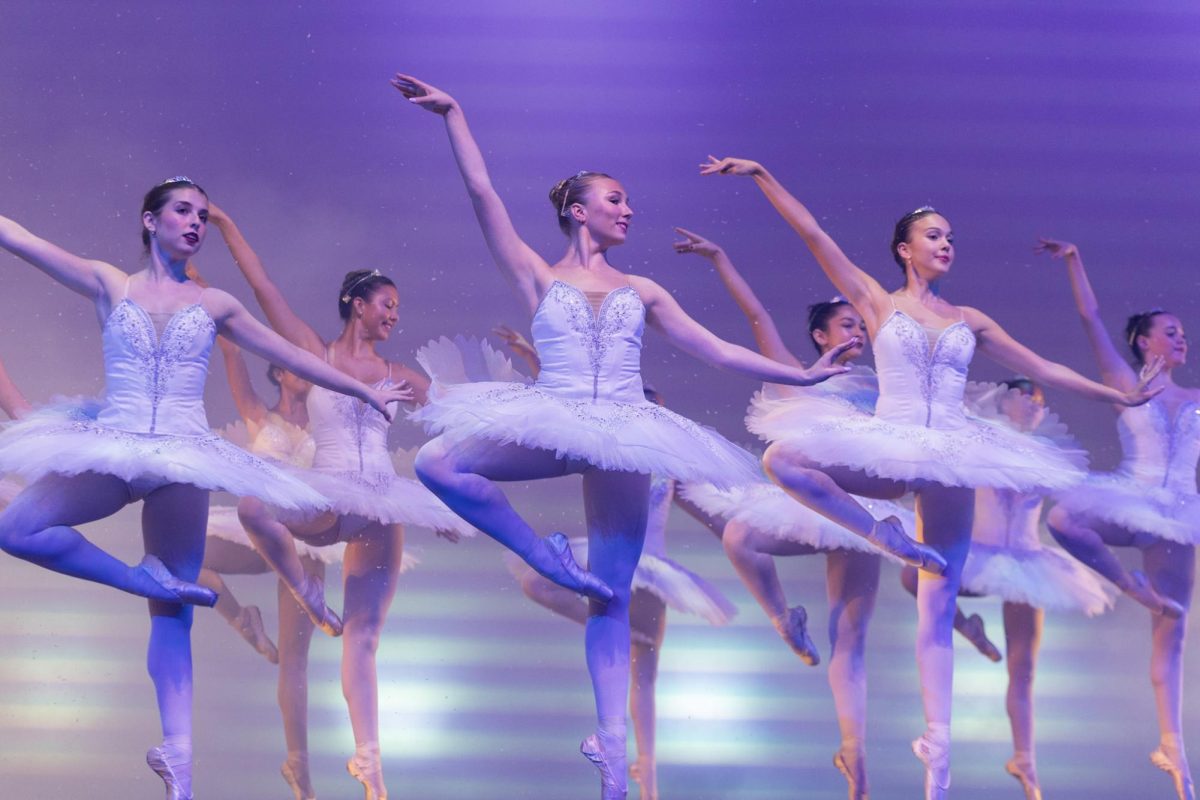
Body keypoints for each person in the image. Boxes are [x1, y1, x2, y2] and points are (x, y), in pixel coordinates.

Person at [392, 75, 852, 800]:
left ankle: (612, 754)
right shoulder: (539, 274)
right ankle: (540, 552)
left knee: (611, 593)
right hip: (559, 412)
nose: (629, 211)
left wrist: (806, 377)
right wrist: (455, 116)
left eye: (629, 202)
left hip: (629, 434)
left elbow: (720, 351)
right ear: (579, 212)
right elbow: (484, 197)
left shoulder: (644, 290)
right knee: (437, 460)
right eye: (616, 200)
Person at [701, 156, 1157, 799]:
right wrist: (761, 176)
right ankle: (885, 536)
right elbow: (813, 235)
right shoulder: (874, 301)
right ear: (904, 250)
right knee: (784, 459)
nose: (945, 245)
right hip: (890, 446)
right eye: (933, 236)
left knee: (937, 606)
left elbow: (1043, 367)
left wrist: (1122, 399)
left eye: (950, 238)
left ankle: (935, 761)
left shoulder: (970, 318)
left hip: (953, 454)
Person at [0, 178, 405, 800]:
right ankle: (136, 577)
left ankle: (180, 764)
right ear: (150, 221)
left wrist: (361, 392)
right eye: (182, 212)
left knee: (173, 612)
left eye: (201, 215)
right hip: (117, 444)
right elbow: (21, 239)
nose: (195, 222)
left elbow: (295, 357)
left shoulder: (216, 303)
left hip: (184, 461)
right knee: (16, 527)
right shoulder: (111, 282)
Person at [208, 202, 471, 800]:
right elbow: (262, 286)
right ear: (357, 303)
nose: (394, 317)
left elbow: (455, 411)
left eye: (399, 309)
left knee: (366, 638)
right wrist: (226, 226)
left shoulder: (397, 372)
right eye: (387, 305)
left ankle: (372, 770)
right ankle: (308, 597)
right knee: (252, 507)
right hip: (325, 496)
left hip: (379, 502)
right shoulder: (313, 352)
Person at [672, 227, 912, 799]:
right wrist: (720, 255)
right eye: (846, 323)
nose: (858, 329)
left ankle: (856, 759)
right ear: (819, 335)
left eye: (862, 323)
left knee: (851, 640)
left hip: (862, 512)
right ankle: (784, 621)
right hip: (806, 503)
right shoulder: (796, 377)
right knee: (739, 535)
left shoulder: (884, 389)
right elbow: (755, 314)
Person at [494, 324, 733, 800]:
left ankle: (647, 783)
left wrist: (734, 535)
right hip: (618, 560)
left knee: (645, 678)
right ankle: (626, 653)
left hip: (657, 572)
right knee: (539, 582)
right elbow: (572, 414)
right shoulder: (612, 449)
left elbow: (704, 507)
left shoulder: (669, 464)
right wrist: (532, 360)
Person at [899, 378, 1114, 800]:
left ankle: (1025, 761)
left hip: (1027, 559)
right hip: (981, 554)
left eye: (1040, 403)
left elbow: (1073, 497)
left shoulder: (1048, 455)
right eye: (1027, 400)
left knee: (1024, 668)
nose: (1034, 408)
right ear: (1007, 403)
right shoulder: (984, 442)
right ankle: (968, 629)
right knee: (914, 575)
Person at [1037, 238, 1197, 800]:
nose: (1181, 337)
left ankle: (1174, 753)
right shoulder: (1126, 384)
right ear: (1143, 341)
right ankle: (1131, 587)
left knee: (1171, 636)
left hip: (1177, 514)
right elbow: (1091, 318)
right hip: (1131, 497)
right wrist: (1077, 260)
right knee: (1063, 518)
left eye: (1182, 331)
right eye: (1170, 330)